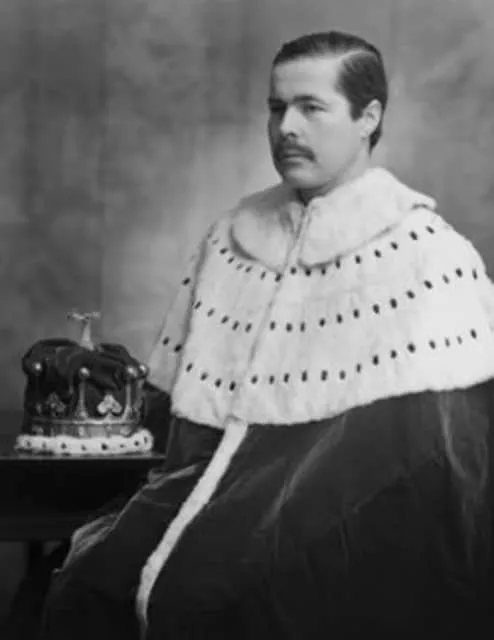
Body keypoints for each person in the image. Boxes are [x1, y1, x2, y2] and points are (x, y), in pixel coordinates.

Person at [40, 30, 494, 639]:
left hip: (349, 526)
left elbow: (435, 465)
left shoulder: (429, 254)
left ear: (368, 118)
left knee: (221, 601)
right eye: (277, 108)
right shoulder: (232, 236)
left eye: (311, 107)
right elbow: (177, 420)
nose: (287, 128)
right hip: (200, 491)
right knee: (82, 587)